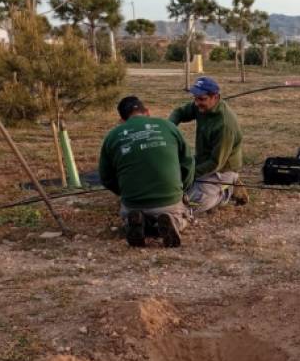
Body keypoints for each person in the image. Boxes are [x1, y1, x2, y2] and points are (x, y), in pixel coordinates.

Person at [99, 96, 194, 248]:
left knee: (131, 213)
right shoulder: (168, 126)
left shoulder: (112, 136)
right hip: (169, 199)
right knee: (183, 216)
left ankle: (138, 222)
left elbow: (105, 177)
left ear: (122, 120)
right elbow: (188, 164)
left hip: (133, 202)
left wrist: (124, 192)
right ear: (148, 112)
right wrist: (181, 188)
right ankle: (173, 221)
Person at [169, 76, 247, 211]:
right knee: (174, 183)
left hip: (222, 168)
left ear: (215, 97)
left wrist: (189, 174)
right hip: (202, 161)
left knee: (193, 202)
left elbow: (215, 163)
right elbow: (179, 112)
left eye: (202, 99)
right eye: (195, 98)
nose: (197, 102)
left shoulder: (224, 125)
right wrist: (168, 129)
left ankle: (227, 190)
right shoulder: (200, 106)